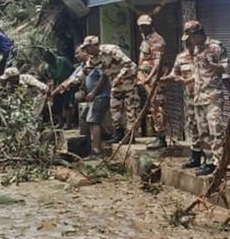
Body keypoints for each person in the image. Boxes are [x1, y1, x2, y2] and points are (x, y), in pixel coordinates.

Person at [183, 21, 230, 176]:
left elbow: (226, 69)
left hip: (213, 96)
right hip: (199, 96)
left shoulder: (216, 47)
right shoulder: (197, 49)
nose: (190, 41)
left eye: (191, 37)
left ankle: (219, 164)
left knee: (215, 131)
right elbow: (199, 73)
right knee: (203, 132)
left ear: (197, 34)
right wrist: (188, 81)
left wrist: (212, 65)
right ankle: (209, 162)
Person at [82, 35, 136, 145]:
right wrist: (69, 83)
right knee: (114, 107)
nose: (86, 51)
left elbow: (128, 64)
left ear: (94, 46)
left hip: (128, 79)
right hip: (116, 82)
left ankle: (130, 135)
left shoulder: (111, 50)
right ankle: (119, 133)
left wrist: (118, 77)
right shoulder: (94, 57)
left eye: (87, 48)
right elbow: (86, 70)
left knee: (130, 107)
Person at [162, 37, 202, 169]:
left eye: (191, 42)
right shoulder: (181, 58)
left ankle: (210, 160)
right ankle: (196, 157)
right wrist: (163, 79)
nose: (189, 45)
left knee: (207, 128)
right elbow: (174, 74)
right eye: (187, 43)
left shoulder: (203, 55)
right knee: (193, 126)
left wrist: (189, 80)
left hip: (206, 98)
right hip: (191, 99)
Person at [136, 14, 169, 150]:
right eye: (141, 26)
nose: (143, 28)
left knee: (157, 107)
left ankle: (161, 137)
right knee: (152, 106)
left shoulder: (156, 40)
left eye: (145, 26)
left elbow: (157, 63)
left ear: (151, 26)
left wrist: (149, 78)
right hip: (146, 80)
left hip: (155, 80)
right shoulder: (146, 40)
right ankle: (158, 135)